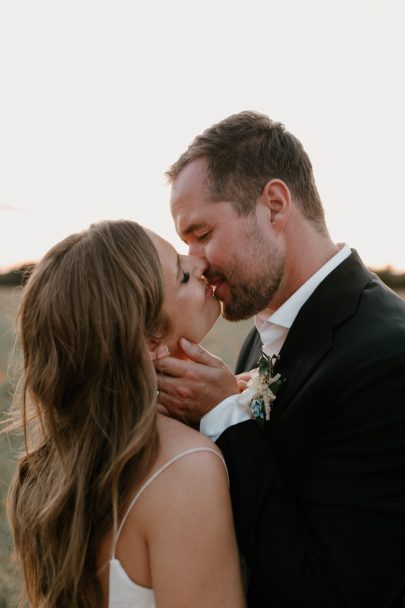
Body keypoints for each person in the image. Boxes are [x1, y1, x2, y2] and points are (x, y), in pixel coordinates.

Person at [156, 111, 405, 607]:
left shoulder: (387, 359)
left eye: (201, 233)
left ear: (273, 204)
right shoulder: (262, 337)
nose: (197, 262)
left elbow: (335, 592)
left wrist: (226, 415)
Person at [6, 220, 245, 608]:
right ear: (150, 341)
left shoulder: (60, 464)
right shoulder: (186, 467)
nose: (199, 263)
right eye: (183, 275)